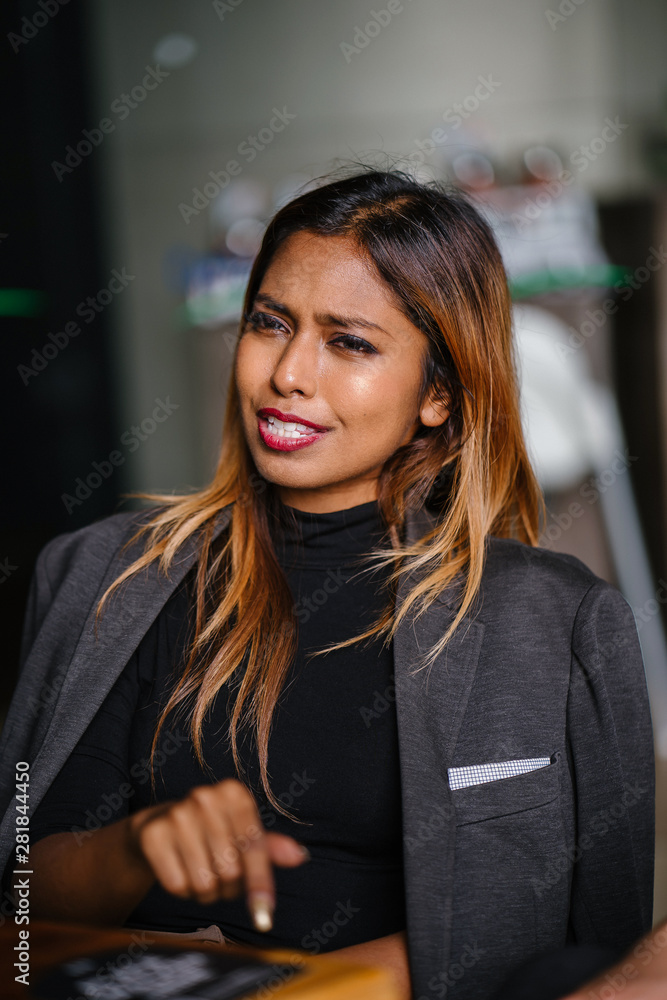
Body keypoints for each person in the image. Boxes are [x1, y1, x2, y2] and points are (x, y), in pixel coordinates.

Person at [0, 169, 655, 1000]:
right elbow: (19, 894)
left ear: (439, 395)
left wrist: (310, 987)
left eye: (349, 342)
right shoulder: (108, 573)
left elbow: (593, 948)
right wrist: (135, 847)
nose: (288, 375)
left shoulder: (555, 621)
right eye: (270, 324)